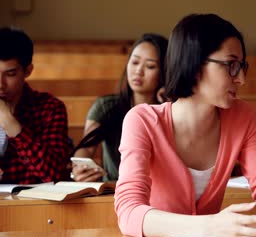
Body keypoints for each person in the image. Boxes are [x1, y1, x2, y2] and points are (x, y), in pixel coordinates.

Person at [115, 14, 256, 237]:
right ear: (193, 63)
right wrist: (207, 227)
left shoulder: (243, 116)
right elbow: (128, 211)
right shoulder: (141, 120)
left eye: (242, 67)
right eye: (231, 65)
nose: (241, 78)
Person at [71, 33, 168, 182]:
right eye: (134, 62)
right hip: (112, 191)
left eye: (150, 66)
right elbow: (86, 148)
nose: (138, 71)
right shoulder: (106, 106)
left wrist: (168, 103)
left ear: (165, 72)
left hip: (157, 193)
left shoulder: (171, 109)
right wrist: (81, 168)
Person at [0, 26, 71, 184]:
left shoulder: (50, 108)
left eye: (10, 74)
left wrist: (11, 124)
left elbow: (54, 175)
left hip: (32, 205)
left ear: (27, 71)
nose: (0, 84)